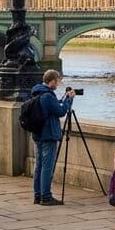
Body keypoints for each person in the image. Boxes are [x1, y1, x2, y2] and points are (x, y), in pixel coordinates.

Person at [28, 69, 75, 206]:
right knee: (47, 167)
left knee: (39, 166)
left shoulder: (37, 92)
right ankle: (46, 196)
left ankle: (38, 195)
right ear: (53, 81)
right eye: (58, 81)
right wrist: (69, 99)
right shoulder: (48, 96)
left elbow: (50, 110)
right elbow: (60, 111)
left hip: (37, 134)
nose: (58, 84)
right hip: (48, 134)